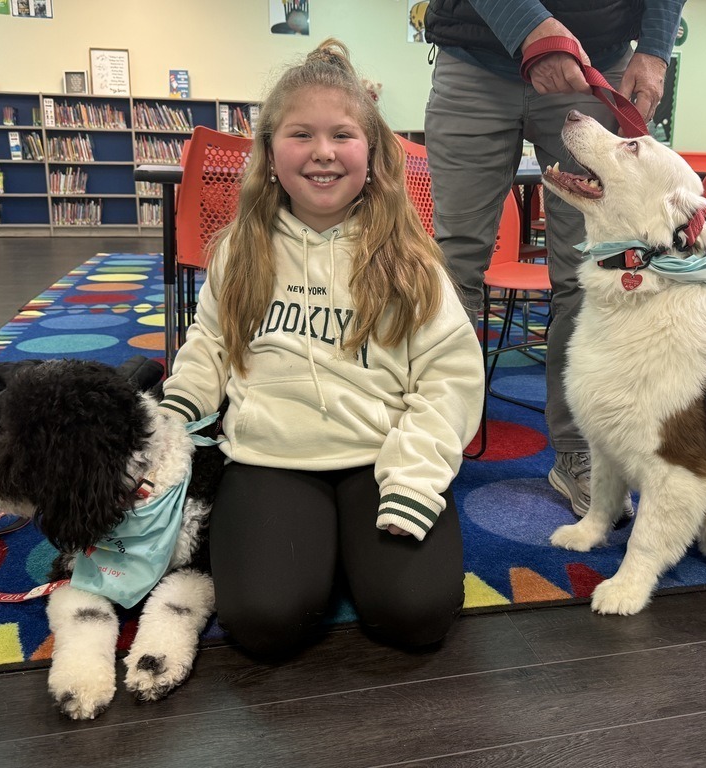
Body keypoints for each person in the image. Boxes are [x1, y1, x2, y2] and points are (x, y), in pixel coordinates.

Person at [159, 39, 484, 658]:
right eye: (301, 134)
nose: (323, 152)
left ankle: (345, 551)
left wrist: (416, 478)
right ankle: (321, 552)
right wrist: (171, 422)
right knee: (264, 626)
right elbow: (211, 344)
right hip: (271, 457)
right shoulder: (240, 249)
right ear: (269, 151)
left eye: (342, 134)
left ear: (372, 150)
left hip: (382, 455)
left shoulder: (410, 260)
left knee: (415, 616)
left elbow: (450, 379)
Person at [423, 0, 684, 518]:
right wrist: (530, 28)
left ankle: (580, 450)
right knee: (452, 270)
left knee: (593, 272)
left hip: (594, 62)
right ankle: (429, 439)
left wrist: (656, 50)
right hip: (473, 56)